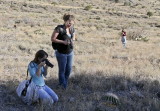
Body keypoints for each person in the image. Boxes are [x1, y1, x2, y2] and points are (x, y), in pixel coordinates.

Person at [51, 14, 76, 89]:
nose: (70, 24)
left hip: (70, 52)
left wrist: (72, 40)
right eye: (68, 22)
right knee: (62, 70)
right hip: (61, 53)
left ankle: (64, 83)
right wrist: (63, 42)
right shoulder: (59, 28)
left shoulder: (72, 29)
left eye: (71, 23)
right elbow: (53, 39)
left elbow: (74, 37)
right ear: (65, 21)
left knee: (68, 69)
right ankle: (63, 86)